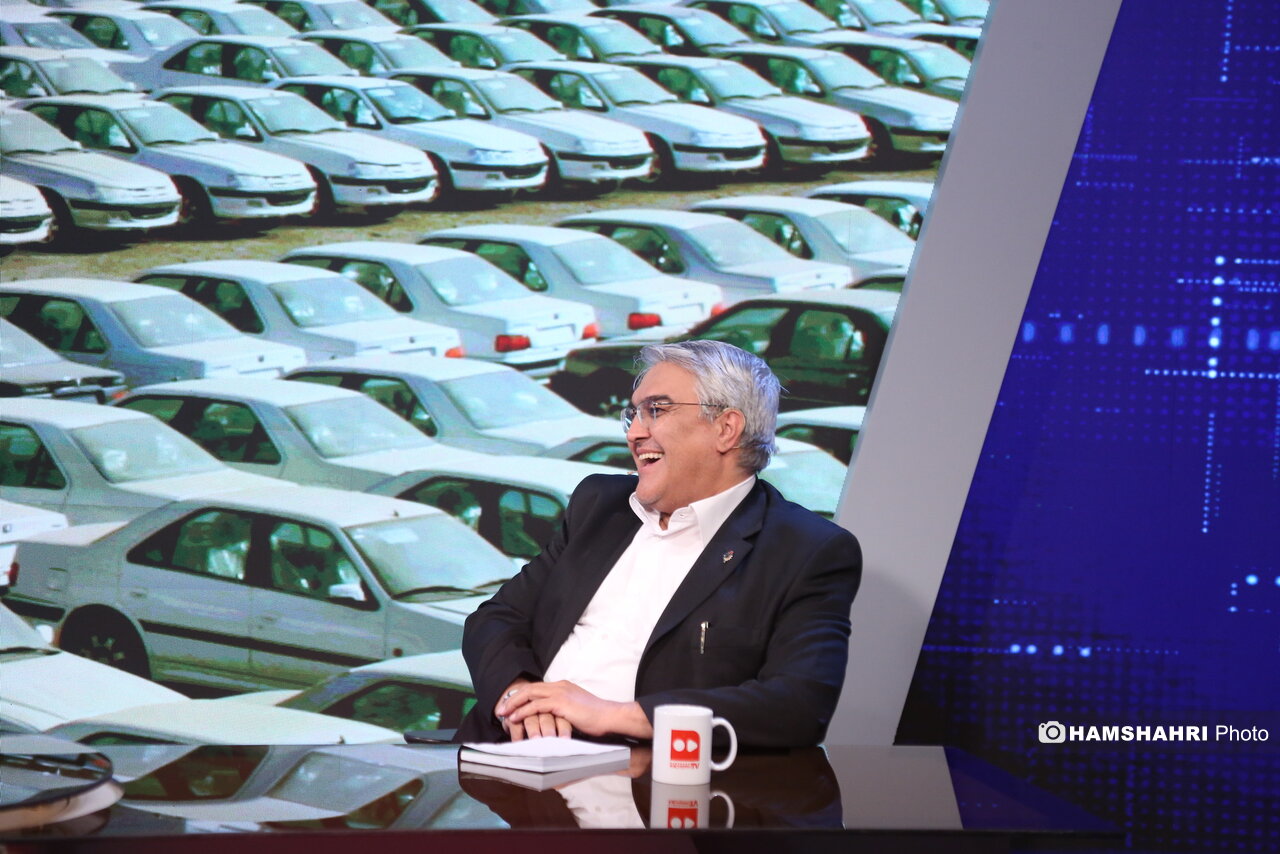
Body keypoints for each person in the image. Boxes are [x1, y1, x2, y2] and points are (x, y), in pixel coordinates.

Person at [455, 340, 861, 747]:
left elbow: (797, 705)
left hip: (641, 769)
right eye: (633, 414)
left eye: (656, 411)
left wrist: (610, 715)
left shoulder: (806, 551)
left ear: (726, 428)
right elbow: (497, 618)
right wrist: (519, 697)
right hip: (503, 750)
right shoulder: (600, 505)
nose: (634, 433)